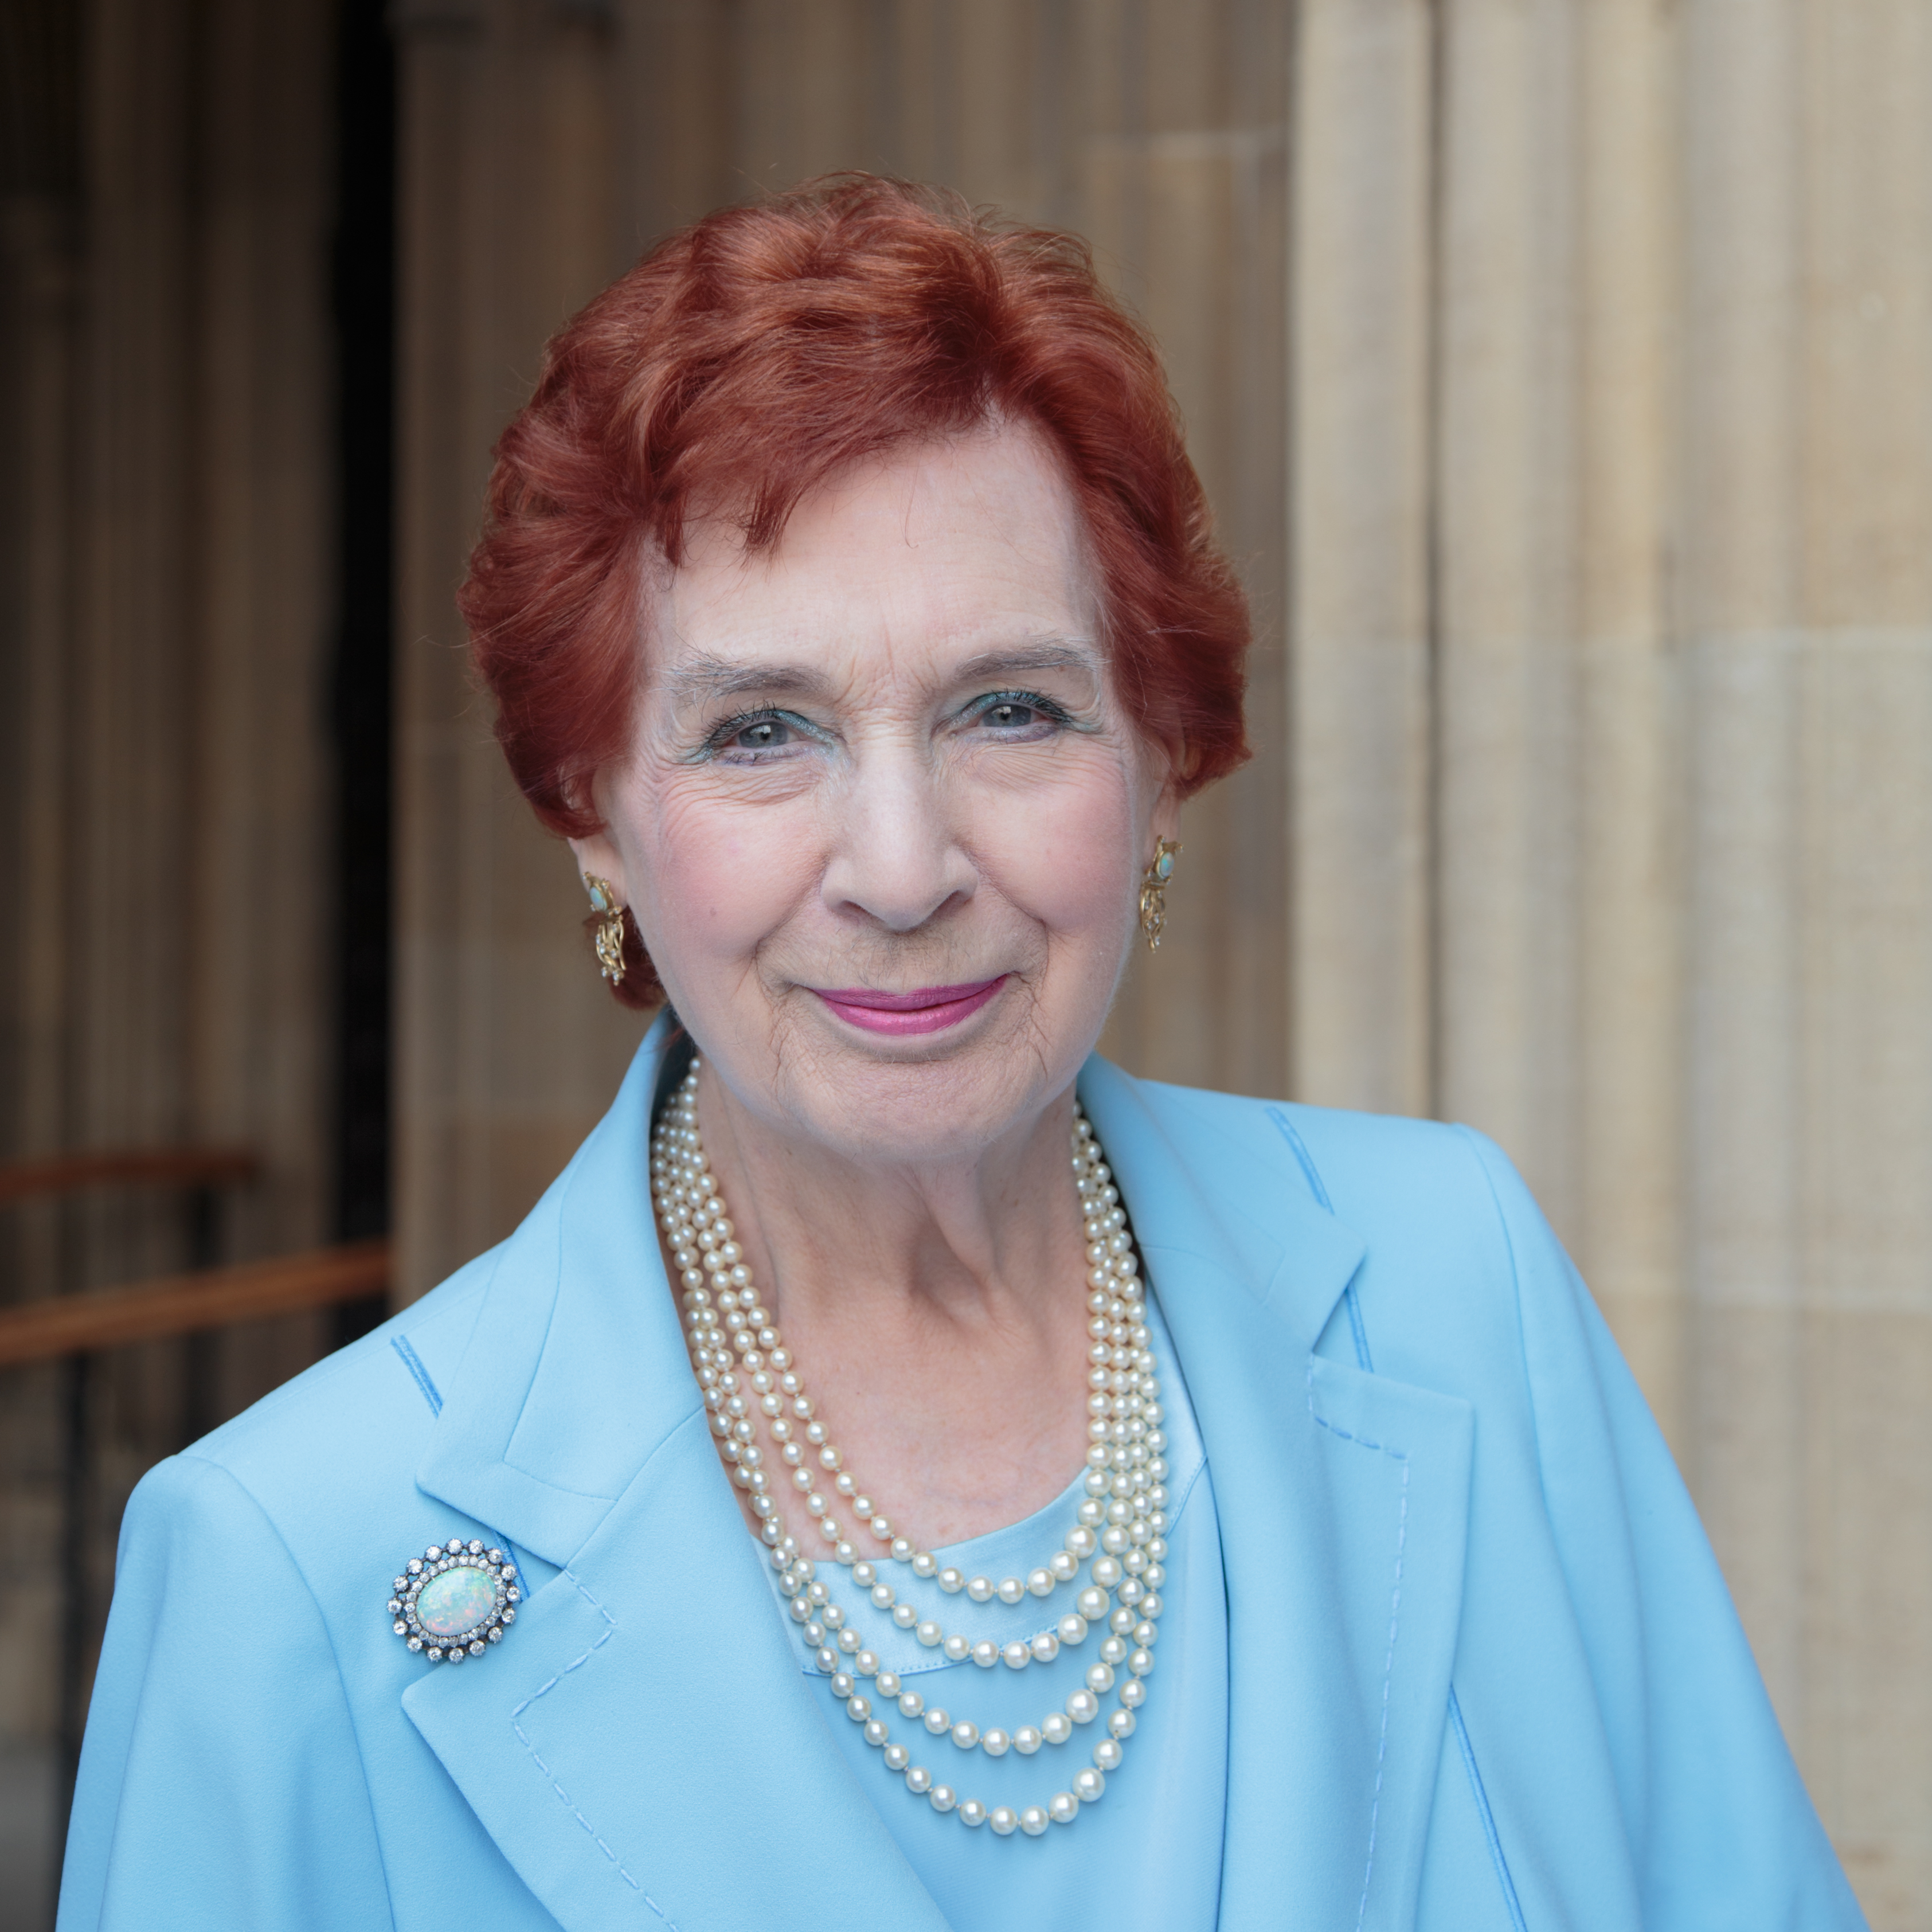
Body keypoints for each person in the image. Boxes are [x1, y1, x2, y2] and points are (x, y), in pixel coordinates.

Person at [60, 176, 1864, 1932]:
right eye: (760, 730)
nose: (905, 868)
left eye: (1010, 708)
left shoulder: (1452, 1281)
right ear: (591, 815)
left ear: (1158, 763)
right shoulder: (289, 1565)